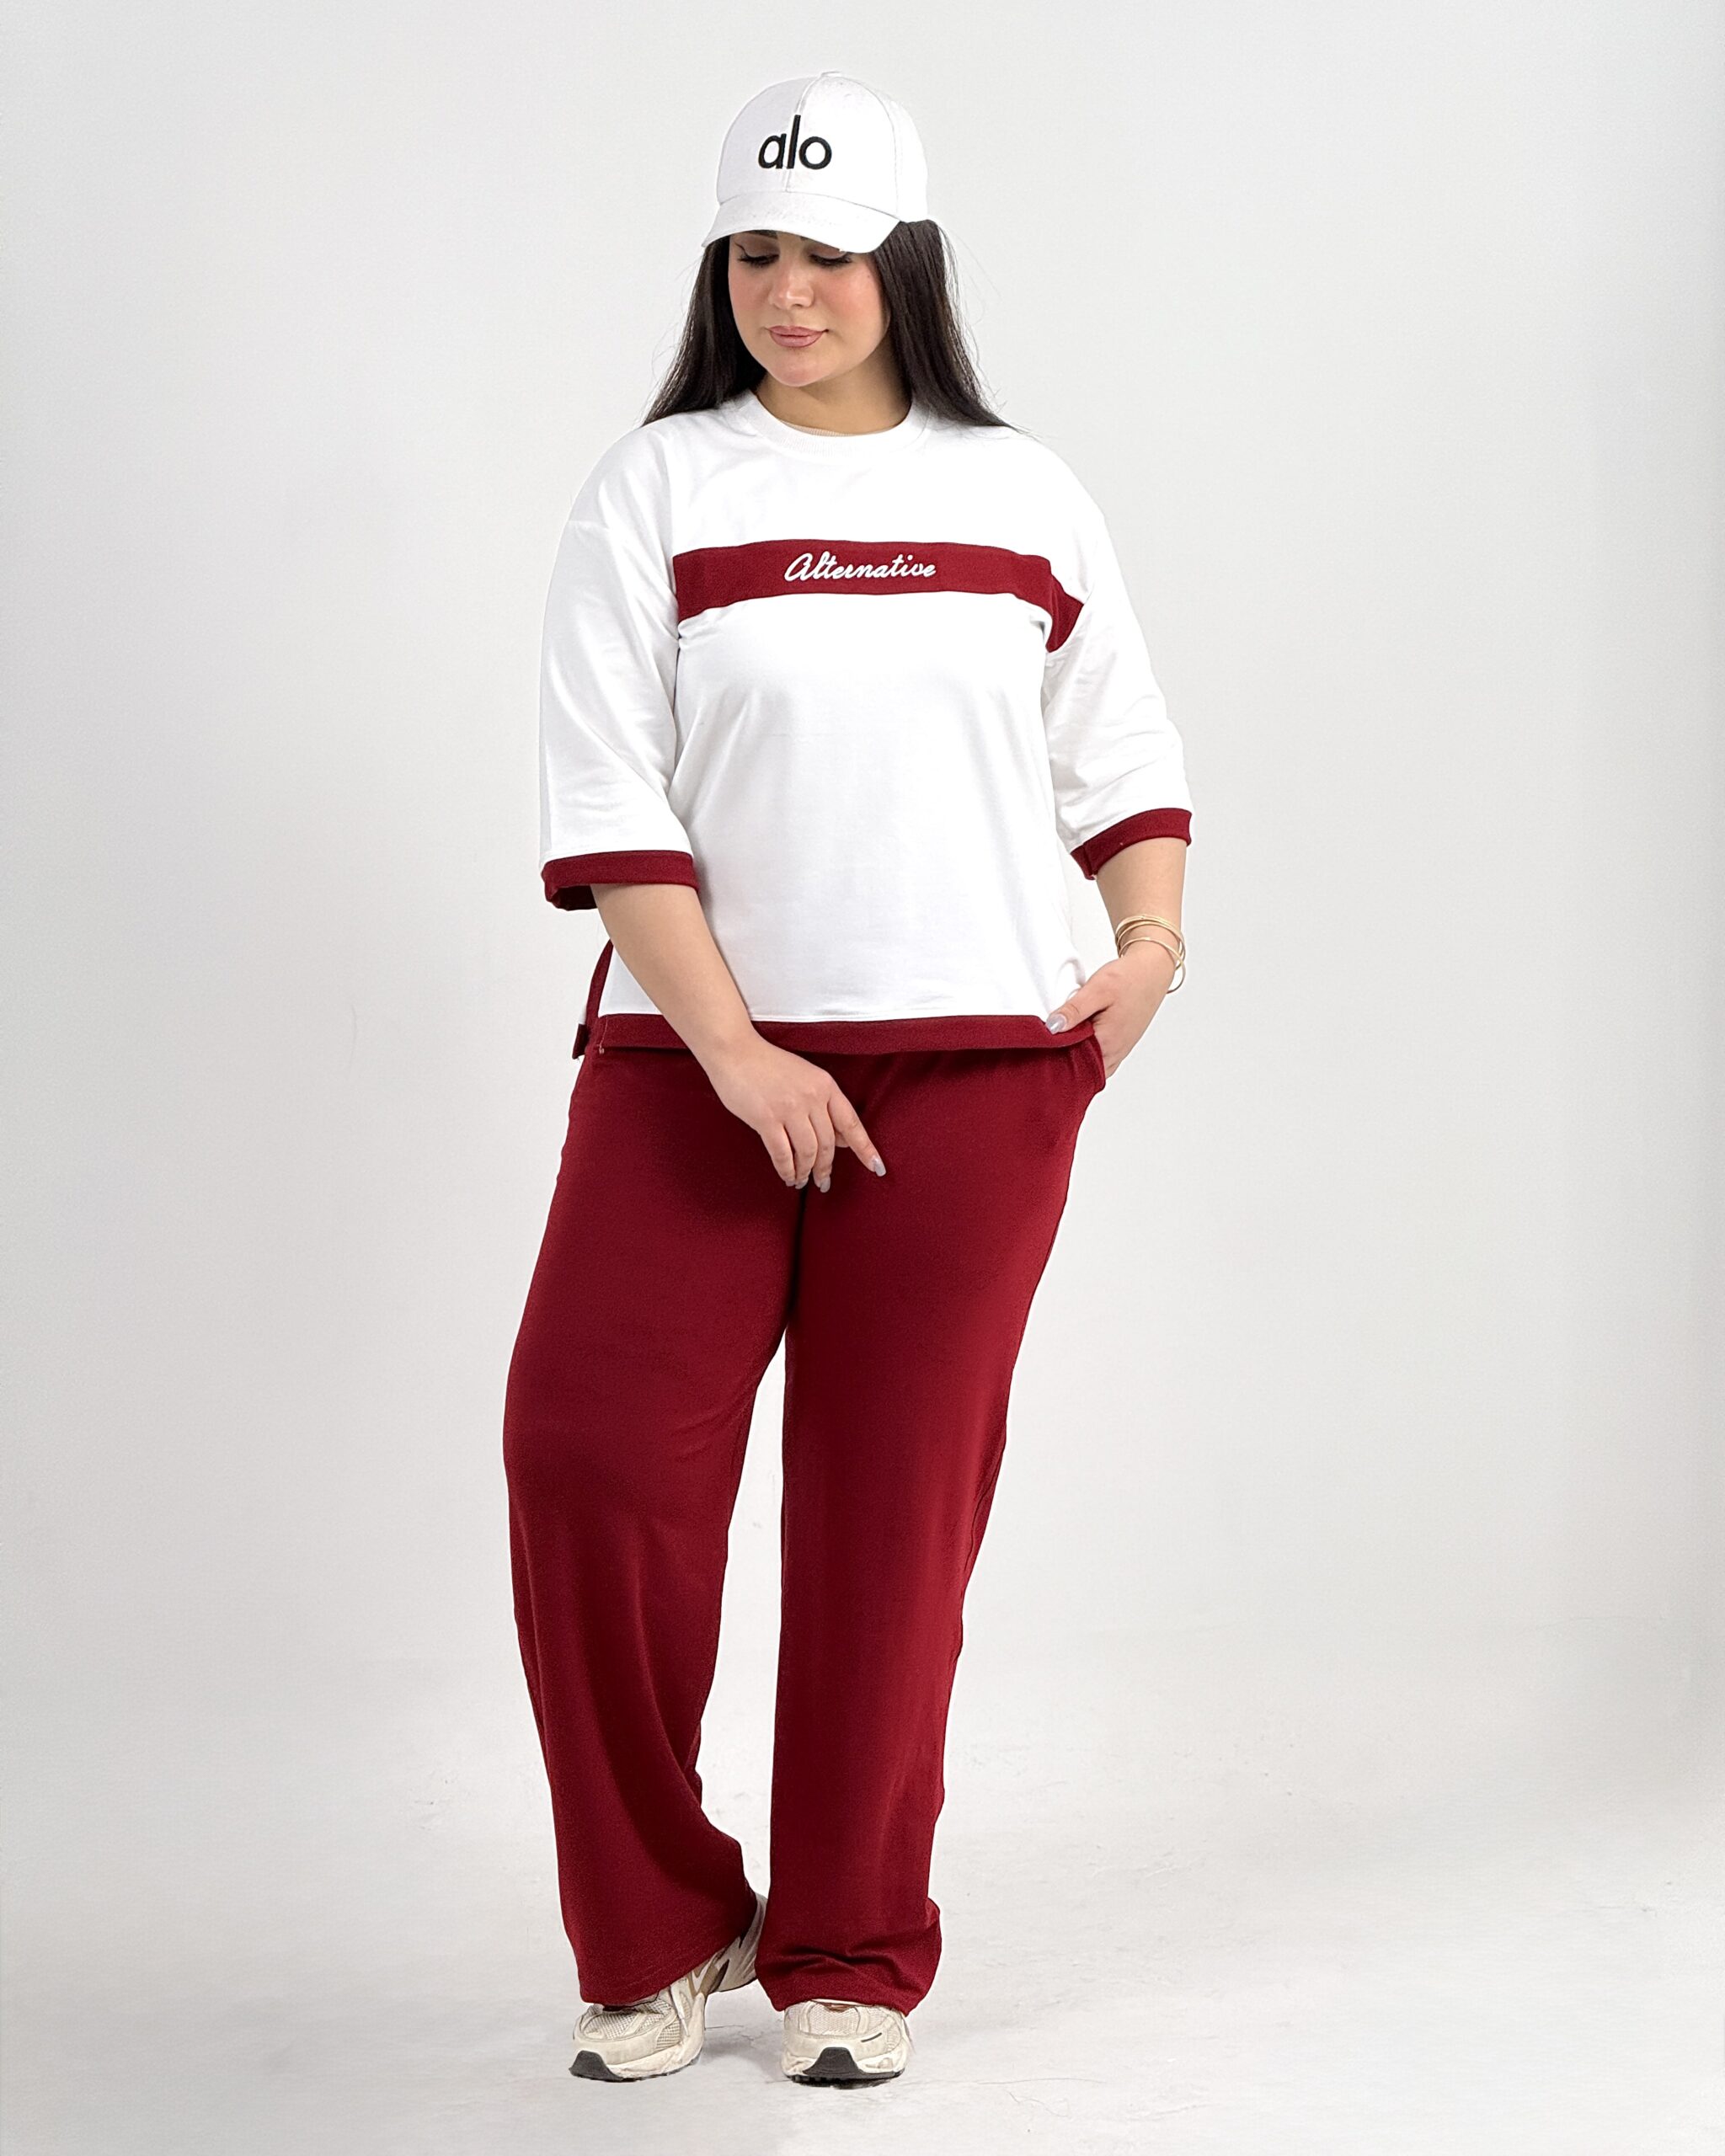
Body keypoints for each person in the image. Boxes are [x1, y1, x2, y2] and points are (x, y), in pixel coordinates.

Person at [502, 68, 1194, 2089]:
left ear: (908, 261)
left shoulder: (1021, 490)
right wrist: (735, 1048)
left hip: (977, 1064)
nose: (788, 290)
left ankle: (849, 1944)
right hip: (689, 1058)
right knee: (589, 1456)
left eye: (827, 252)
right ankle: (659, 1922)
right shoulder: (657, 487)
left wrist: (1145, 956)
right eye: (754, 252)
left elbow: (1124, 751)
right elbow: (610, 791)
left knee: (891, 1517)